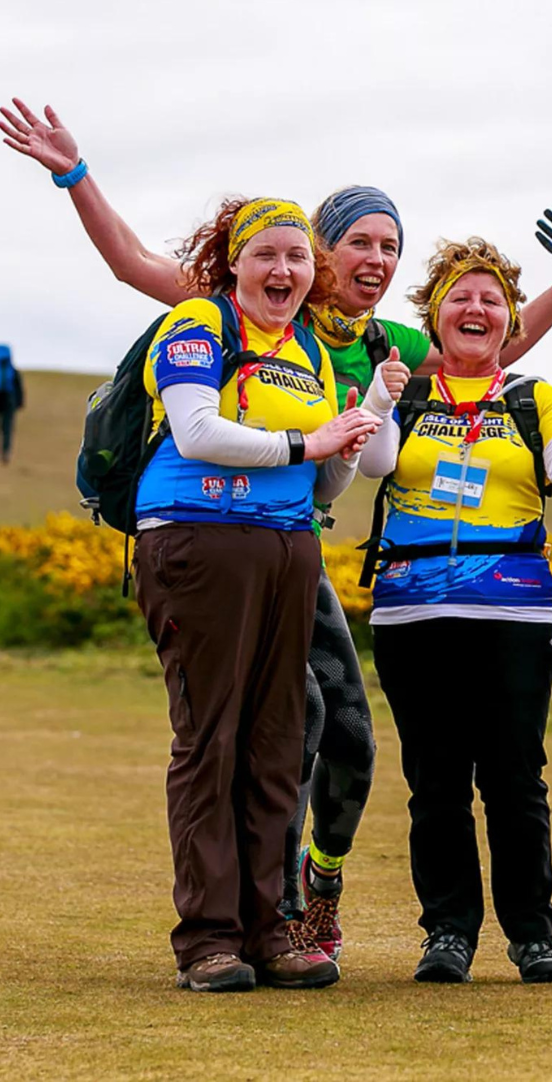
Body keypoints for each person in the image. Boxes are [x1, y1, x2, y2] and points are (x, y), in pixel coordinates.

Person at [2, 97, 552, 964]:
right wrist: (76, 174)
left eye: (390, 246)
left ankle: (318, 882)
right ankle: (262, 914)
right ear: (321, 251)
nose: (378, 260)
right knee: (288, 723)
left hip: (296, 543)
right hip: (216, 535)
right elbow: (132, 265)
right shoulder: (247, 308)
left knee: (343, 734)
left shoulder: (383, 339)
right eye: (360, 242)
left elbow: (486, 341)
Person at [132, 195, 381, 991]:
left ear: (315, 274)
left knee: (279, 738)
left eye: (298, 258)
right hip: (198, 539)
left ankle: (269, 929)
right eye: (267, 254)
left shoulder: (306, 345)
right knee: (213, 738)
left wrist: (355, 425)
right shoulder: (199, 325)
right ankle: (208, 940)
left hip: (288, 547)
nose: (283, 269)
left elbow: (325, 474)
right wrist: (310, 438)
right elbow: (196, 429)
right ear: (234, 261)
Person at [360, 237, 552, 985]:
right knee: (434, 781)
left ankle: (532, 934)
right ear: (434, 314)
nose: (476, 309)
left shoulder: (533, 397)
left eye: (492, 299)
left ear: (509, 321)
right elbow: (372, 465)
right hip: (411, 615)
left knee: (513, 776)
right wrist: (378, 398)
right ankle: (447, 933)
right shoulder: (404, 393)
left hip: (513, 614)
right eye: (460, 297)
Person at [0, 343, 24, 464]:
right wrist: (19, 403)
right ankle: (6, 452)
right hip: (9, 400)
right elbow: (19, 388)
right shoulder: (13, 371)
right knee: (7, 427)